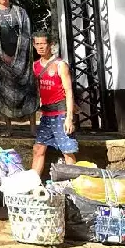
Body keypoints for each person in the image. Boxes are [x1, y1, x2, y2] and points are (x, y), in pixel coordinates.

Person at [0, 0, 38, 137]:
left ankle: (33, 129)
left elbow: (27, 34)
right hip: (1, 61)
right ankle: (8, 128)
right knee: (4, 92)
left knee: (28, 91)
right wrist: (2, 56)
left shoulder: (20, 12)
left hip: (22, 59)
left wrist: (18, 56)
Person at [31, 31, 77, 174]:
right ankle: (33, 184)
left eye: (43, 43)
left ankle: (74, 186)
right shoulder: (35, 66)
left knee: (67, 151)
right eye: (37, 44)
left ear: (50, 44)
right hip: (46, 114)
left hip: (61, 114)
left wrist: (69, 118)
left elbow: (69, 91)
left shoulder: (60, 65)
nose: (40, 47)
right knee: (38, 149)